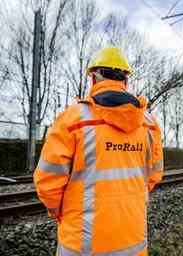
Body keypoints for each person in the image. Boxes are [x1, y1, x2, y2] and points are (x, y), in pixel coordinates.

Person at [34, 46, 164, 256]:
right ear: (126, 81)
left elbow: (48, 182)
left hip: (82, 244)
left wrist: (57, 211)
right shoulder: (149, 124)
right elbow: (154, 175)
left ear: (93, 78)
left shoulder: (73, 119)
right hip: (133, 240)